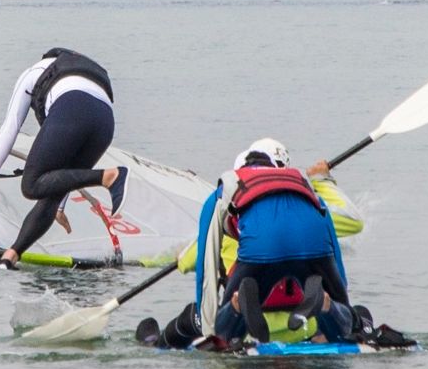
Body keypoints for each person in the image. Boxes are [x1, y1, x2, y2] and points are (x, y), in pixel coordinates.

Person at [147, 138, 357, 348]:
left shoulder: (224, 194)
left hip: (260, 256)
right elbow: (333, 247)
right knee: (344, 318)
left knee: (221, 318)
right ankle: (326, 303)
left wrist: (211, 331)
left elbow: (205, 269)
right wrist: (341, 298)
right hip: (313, 256)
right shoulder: (304, 186)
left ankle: (238, 304)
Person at [0, 47, 130, 269]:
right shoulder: (78, 75)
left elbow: (10, 127)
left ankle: (109, 177)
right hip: (105, 123)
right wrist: (59, 205)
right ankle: (10, 257)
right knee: (50, 192)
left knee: (31, 185)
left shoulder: (32, 73)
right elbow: (64, 176)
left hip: (73, 107)